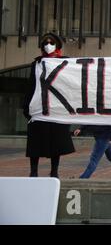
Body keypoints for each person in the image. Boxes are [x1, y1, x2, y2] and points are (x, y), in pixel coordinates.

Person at [23, 32, 75, 178]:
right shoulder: (37, 64)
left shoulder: (66, 63)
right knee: (35, 143)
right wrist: (27, 107)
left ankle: (54, 171)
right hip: (39, 108)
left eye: (52, 43)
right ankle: (33, 171)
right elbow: (31, 86)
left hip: (56, 109)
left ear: (57, 46)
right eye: (45, 43)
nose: (48, 46)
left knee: (56, 144)